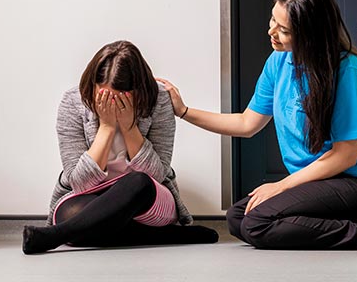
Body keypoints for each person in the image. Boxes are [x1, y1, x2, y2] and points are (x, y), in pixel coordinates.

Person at [157, 0, 357, 250]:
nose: (271, 32)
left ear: (311, 33)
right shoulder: (279, 62)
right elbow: (246, 123)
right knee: (239, 217)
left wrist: (281, 186)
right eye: (272, 20)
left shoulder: (350, 72)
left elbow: (346, 154)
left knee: (258, 222)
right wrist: (184, 111)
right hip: (324, 181)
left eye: (283, 29)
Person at [22, 41, 219, 254]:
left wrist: (129, 127)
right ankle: (163, 236)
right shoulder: (73, 102)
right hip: (90, 196)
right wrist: (106, 128)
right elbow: (78, 183)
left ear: (138, 91)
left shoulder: (159, 100)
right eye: (104, 96)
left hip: (146, 198)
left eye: (119, 98)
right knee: (70, 216)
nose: (111, 104)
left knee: (138, 182)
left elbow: (156, 174)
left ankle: (56, 236)